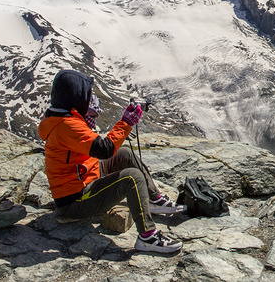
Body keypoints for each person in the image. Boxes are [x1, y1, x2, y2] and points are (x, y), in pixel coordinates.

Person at [38, 70, 186, 253]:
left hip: (84, 180)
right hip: (75, 201)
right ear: (74, 95)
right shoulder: (67, 126)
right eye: (86, 94)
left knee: (123, 154)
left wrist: (86, 119)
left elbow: (96, 148)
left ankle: (153, 199)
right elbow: (104, 149)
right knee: (133, 178)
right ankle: (147, 237)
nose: (89, 98)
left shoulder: (61, 118)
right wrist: (126, 123)